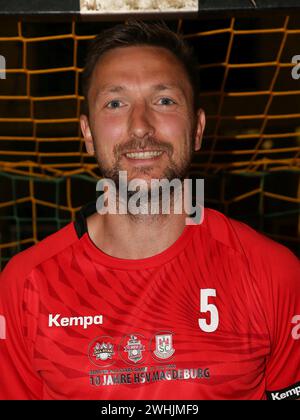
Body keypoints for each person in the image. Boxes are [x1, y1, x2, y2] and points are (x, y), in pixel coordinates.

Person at [0, 20, 299, 400]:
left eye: (164, 101)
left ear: (198, 128)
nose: (140, 126)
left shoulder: (275, 273)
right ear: (87, 132)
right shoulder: (25, 283)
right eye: (115, 103)